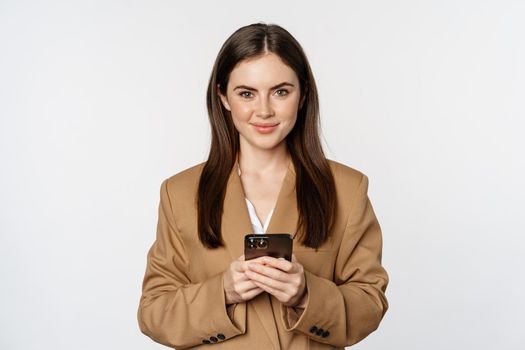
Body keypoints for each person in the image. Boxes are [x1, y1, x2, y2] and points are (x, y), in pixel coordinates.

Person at [137, 22, 389, 349]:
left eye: (281, 91)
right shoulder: (180, 193)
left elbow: (370, 302)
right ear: (223, 97)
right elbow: (153, 311)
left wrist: (306, 294)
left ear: (303, 95)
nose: (264, 110)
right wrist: (222, 292)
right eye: (246, 93)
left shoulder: (346, 189)